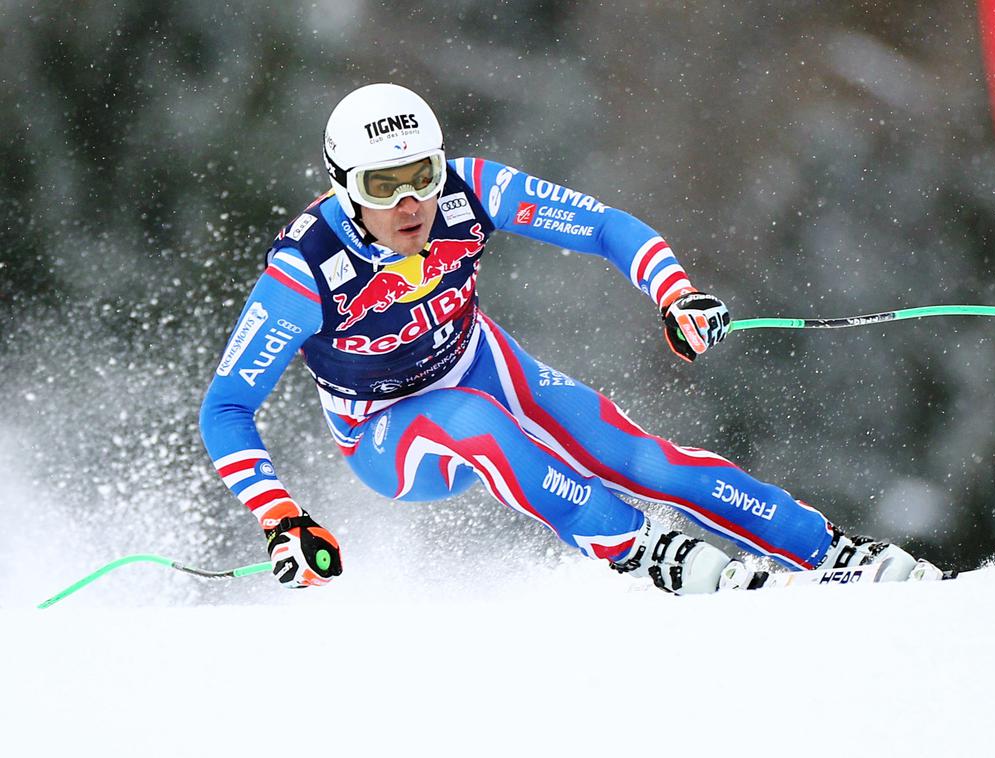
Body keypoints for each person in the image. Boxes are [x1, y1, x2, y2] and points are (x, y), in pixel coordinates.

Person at [199, 83, 937, 594]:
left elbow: (605, 225)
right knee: (477, 426)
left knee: (645, 458)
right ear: (343, 187)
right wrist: (280, 516)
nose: (411, 201)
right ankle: (641, 552)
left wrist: (674, 293)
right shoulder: (306, 269)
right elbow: (227, 407)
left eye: (420, 174)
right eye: (384, 186)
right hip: (388, 433)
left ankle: (832, 552)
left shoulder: (469, 189)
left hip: (481, 363)